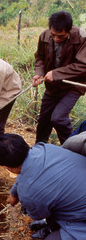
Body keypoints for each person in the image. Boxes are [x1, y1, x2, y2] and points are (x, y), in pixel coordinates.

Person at [33, 10, 86, 144]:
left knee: (58, 118)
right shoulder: (44, 36)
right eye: (53, 35)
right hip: (52, 87)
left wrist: (56, 74)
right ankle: (40, 149)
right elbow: (39, 57)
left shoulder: (82, 38)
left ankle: (72, 148)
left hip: (73, 86)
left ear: (69, 30)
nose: (56, 39)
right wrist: (39, 73)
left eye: (61, 36)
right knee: (44, 119)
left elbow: (83, 66)